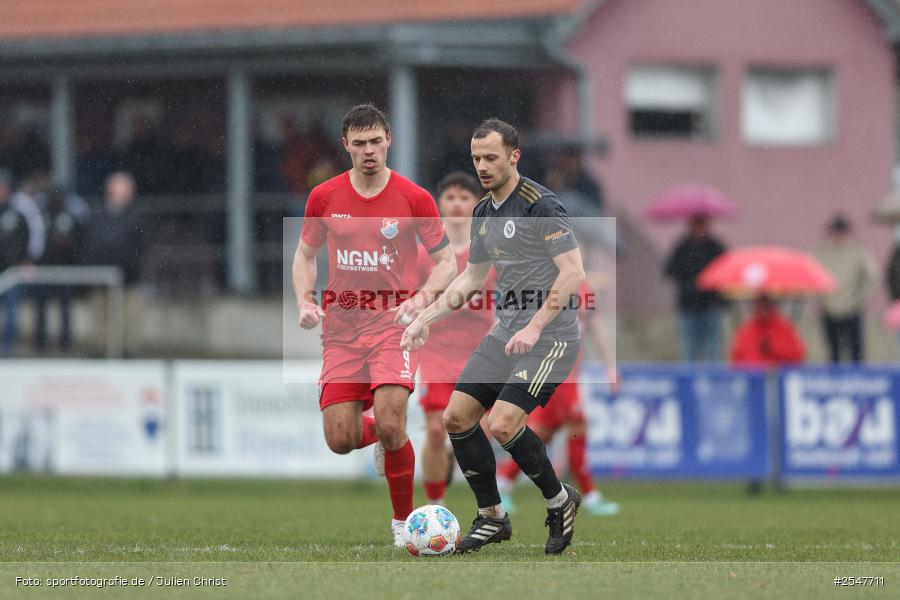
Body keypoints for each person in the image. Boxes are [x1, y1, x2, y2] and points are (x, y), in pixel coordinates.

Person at [402, 119, 586, 556]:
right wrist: (425, 318)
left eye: (491, 157)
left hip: (551, 338)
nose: (482, 166)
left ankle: (559, 501)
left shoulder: (541, 205)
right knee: (456, 417)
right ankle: (492, 517)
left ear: (514, 156)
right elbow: (472, 278)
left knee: (503, 423)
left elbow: (573, 272)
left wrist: (535, 325)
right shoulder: (484, 212)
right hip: (505, 333)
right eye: (476, 158)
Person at [293, 105, 456, 547]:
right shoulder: (324, 196)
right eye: (359, 143)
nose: (369, 150)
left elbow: (446, 262)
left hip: (394, 325)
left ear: (389, 141)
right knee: (340, 439)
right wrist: (305, 300)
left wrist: (422, 299)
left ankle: (404, 524)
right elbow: (305, 255)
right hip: (342, 330)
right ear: (345, 146)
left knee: (390, 420)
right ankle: (385, 438)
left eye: (376, 141)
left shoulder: (414, 198)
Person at [496, 279, 620, 516]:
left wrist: (610, 365)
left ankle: (503, 481)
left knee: (543, 434)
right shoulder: (542, 282)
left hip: (571, 372)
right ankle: (590, 495)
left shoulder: (582, 285)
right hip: (553, 371)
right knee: (577, 425)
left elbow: (593, 325)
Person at [414, 172, 496, 506]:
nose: (458, 203)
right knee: (435, 429)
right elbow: (410, 297)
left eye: (465, 197)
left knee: (486, 428)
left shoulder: (491, 252)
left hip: (480, 354)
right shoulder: (424, 256)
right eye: (450, 197)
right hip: (436, 353)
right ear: (440, 204)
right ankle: (435, 505)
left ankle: (454, 455)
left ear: (476, 203)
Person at [83, 172, 148, 355]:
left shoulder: (138, 216)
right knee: (100, 316)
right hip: (101, 276)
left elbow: (141, 247)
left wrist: (128, 266)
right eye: (118, 191)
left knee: (129, 318)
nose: (121, 196)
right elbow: (89, 243)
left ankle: (128, 352)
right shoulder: (97, 214)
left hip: (129, 277)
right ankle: (101, 350)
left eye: (125, 192)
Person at [814, 214, 877, 363]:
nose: (839, 235)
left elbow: (871, 277)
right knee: (833, 352)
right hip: (829, 309)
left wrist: (861, 300)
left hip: (852, 309)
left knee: (856, 352)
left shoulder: (858, 251)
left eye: (841, 231)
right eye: (836, 231)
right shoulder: (822, 252)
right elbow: (814, 277)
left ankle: (858, 377)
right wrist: (820, 301)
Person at [664, 215, 727, 362]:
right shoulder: (682, 248)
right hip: (689, 305)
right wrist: (690, 281)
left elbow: (726, 270)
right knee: (689, 347)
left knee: (713, 347)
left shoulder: (715, 248)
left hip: (711, 305)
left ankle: (712, 375)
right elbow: (669, 270)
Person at [34, 187, 85, 352]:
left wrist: (67, 248)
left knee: (65, 306)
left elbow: (76, 240)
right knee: (42, 306)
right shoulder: (42, 215)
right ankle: (41, 341)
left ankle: (65, 342)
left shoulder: (68, 215)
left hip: (64, 267)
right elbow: (38, 239)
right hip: (45, 267)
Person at [730, 295, 805, 366]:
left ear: (771, 307)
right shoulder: (745, 331)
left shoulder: (784, 329)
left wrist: (775, 349)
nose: (762, 310)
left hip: (778, 373)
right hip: (750, 373)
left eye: (765, 306)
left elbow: (797, 356)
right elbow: (736, 360)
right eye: (759, 306)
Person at [0, 172, 29, 356]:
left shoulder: (17, 215)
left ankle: (8, 347)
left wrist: (23, 260)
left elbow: (25, 238)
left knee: (11, 312)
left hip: (11, 272)